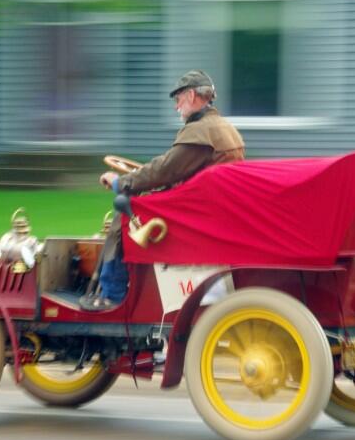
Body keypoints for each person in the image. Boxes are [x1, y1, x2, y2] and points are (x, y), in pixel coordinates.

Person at [80, 69, 245, 311]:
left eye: (178, 99)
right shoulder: (222, 127)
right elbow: (171, 166)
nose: (176, 106)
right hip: (210, 206)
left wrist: (121, 183)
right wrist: (141, 176)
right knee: (138, 203)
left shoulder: (201, 131)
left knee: (125, 214)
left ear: (191, 96)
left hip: (198, 213)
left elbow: (165, 170)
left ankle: (111, 294)